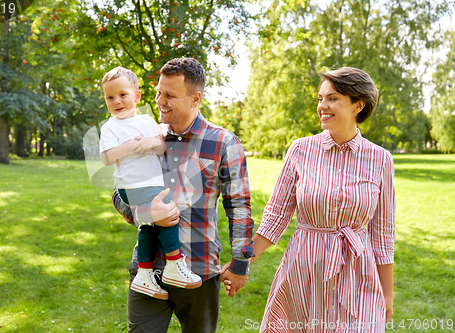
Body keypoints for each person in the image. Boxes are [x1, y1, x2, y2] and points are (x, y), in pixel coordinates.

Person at [111, 57, 254, 333]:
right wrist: (145, 213)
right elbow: (119, 192)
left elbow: (239, 206)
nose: (160, 100)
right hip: (148, 269)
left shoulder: (223, 142)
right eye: (158, 92)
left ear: (195, 98)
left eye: (170, 95)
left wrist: (240, 263)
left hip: (199, 271)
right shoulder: (146, 138)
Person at [251, 67, 395, 332]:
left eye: (333, 98)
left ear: (358, 105)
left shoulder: (380, 159)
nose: (322, 106)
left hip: (358, 273)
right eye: (320, 98)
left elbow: (382, 234)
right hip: (304, 269)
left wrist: (387, 293)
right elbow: (276, 216)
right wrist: (242, 261)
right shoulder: (301, 150)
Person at [99, 66, 202, 301]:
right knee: (167, 213)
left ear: (136, 96)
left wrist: (149, 142)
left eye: (122, 95)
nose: (116, 101)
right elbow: (105, 158)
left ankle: (144, 273)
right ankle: (174, 264)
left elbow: (161, 146)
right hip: (132, 185)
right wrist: (131, 146)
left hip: (148, 182)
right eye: (110, 97)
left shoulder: (146, 121)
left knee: (149, 225)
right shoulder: (111, 127)